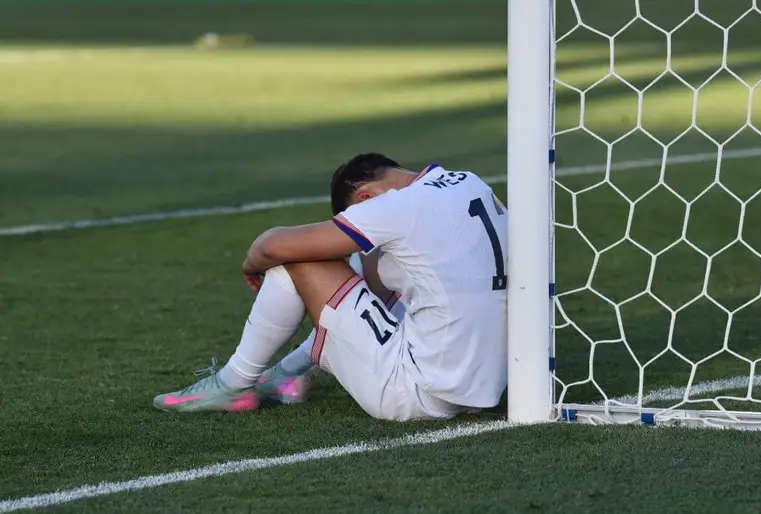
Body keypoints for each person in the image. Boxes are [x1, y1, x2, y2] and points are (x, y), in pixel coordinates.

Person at [153, 153, 508, 420]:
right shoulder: (470, 183)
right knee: (379, 265)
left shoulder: (396, 207)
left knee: (297, 260)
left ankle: (232, 384)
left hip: (420, 394)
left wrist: (251, 264)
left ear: (364, 200)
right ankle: (287, 375)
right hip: (491, 386)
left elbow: (272, 246)